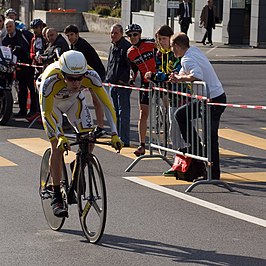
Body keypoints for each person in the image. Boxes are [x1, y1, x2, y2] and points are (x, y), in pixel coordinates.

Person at [38, 50, 123, 217]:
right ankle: (56, 195)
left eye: (79, 78)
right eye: (71, 78)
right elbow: (46, 113)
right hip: (51, 104)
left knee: (89, 138)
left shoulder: (91, 76)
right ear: (62, 74)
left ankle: (78, 165)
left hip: (73, 102)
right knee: (57, 146)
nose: (76, 82)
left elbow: (107, 104)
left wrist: (114, 133)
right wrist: (60, 135)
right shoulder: (50, 80)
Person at [169, 32, 226, 180]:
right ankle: (197, 147)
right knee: (180, 115)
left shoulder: (187, 58)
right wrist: (177, 77)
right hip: (208, 98)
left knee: (210, 138)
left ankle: (213, 173)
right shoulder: (192, 51)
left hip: (213, 99)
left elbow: (197, 74)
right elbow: (185, 71)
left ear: (176, 46)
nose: (171, 50)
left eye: (171, 47)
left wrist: (180, 77)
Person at [144, 25, 186, 176]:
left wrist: (155, 77)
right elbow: (161, 71)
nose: (161, 42)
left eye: (164, 39)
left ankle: (187, 164)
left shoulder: (177, 53)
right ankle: (178, 163)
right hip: (171, 96)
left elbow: (172, 74)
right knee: (173, 131)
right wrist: (155, 75)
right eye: (159, 39)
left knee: (182, 132)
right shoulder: (160, 54)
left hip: (182, 96)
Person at [63, 24, 106, 137]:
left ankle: (100, 126)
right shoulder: (73, 46)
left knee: (97, 101)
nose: (70, 38)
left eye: (72, 35)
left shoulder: (81, 45)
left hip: (95, 74)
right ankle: (85, 125)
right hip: (86, 76)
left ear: (77, 34)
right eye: (68, 36)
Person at [126, 23, 156, 156]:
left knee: (167, 107)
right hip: (145, 83)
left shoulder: (150, 43)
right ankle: (142, 145)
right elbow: (134, 69)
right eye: (129, 35)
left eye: (135, 35)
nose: (132, 37)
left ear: (140, 34)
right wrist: (132, 79)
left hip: (160, 79)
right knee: (143, 113)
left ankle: (168, 131)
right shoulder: (130, 53)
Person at [3, 19, 37, 117]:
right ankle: (22, 111)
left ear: (14, 26)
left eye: (10, 26)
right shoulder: (6, 39)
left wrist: (26, 53)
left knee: (31, 88)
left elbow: (33, 44)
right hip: (16, 67)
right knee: (21, 89)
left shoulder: (23, 34)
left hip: (29, 65)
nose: (9, 28)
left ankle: (33, 110)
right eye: (7, 27)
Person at [105, 23, 132, 147]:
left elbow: (130, 67)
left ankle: (124, 139)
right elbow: (110, 64)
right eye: (112, 33)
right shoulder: (113, 46)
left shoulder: (126, 47)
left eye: (116, 33)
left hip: (122, 85)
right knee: (114, 112)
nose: (113, 35)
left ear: (121, 34)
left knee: (123, 113)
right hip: (112, 84)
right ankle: (117, 137)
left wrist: (122, 80)